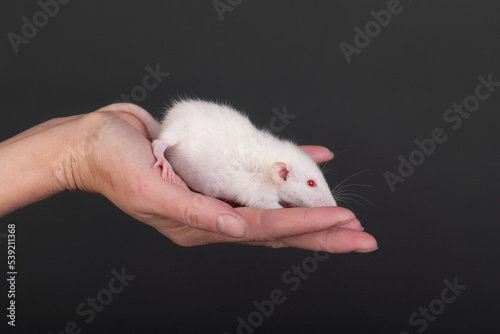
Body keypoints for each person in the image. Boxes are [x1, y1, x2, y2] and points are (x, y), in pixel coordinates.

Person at [0, 103, 377, 253]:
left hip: (206, 146)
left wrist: (85, 143)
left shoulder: (274, 165)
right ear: (282, 173)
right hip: (186, 131)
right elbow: (259, 198)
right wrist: (88, 148)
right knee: (182, 131)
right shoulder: (264, 172)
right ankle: (163, 144)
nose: (322, 195)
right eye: (312, 185)